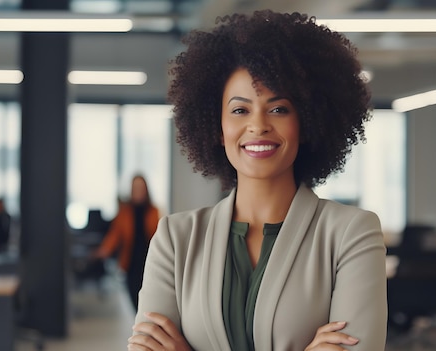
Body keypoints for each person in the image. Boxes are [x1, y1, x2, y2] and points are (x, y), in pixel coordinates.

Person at [128, 11, 387, 351]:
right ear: (216, 128)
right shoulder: (176, 240)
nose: (259, 125)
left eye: (279, 109)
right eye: (240, 110)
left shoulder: (351, 233)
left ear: (306, 123)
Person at [94, 175, 160, 310]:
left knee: (148, 299)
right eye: (135, 187)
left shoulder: (154, 211)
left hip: (149, 261)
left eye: (141, 187)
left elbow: (159, 236)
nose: (138, 190)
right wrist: (104, 250)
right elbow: (115, 235)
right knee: (134, 298)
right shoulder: (125, 212)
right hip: (131, 261)